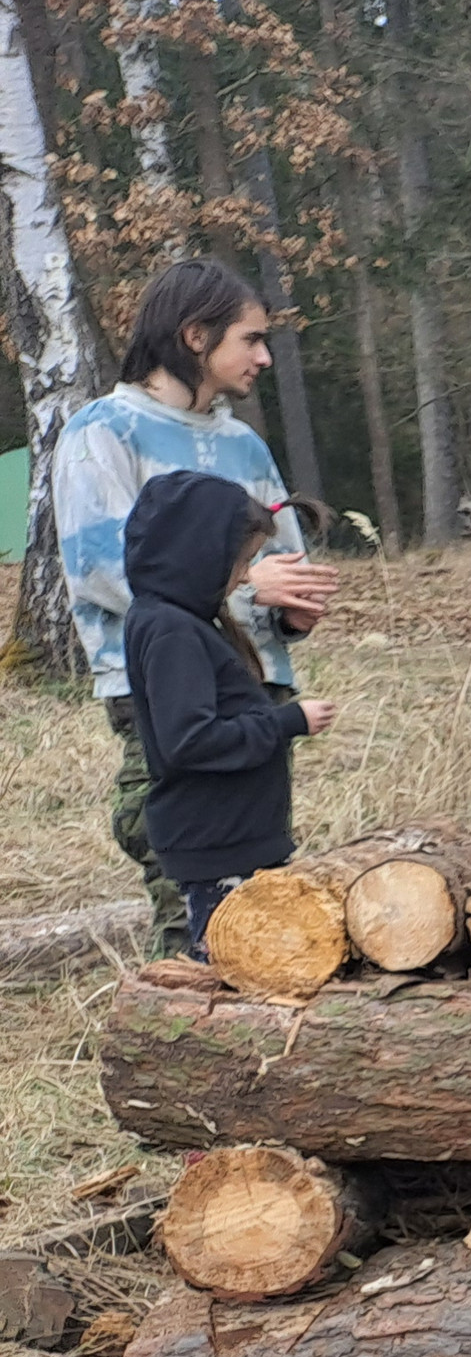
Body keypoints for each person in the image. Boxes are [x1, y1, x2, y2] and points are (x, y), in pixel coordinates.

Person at [53, 260, 342, 954]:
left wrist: (288, 612)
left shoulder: (244, 444)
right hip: (165, 688)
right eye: (251, 339)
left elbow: (277, 558)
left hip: (256, 688)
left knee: (257, 888)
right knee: (189, 881)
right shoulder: (103, 432)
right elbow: (100, 568)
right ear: (194, 335)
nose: (264, 357)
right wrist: (245, 587)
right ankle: (176, 1008)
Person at [117, 473, 337, 956]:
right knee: (236, 965)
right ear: (200, 554)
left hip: (232, 842)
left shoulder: (183, 623)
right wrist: (288, 721)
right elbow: (191, 740)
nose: (246, 577)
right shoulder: (173, 632)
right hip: (217, 851)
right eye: (242, 561)